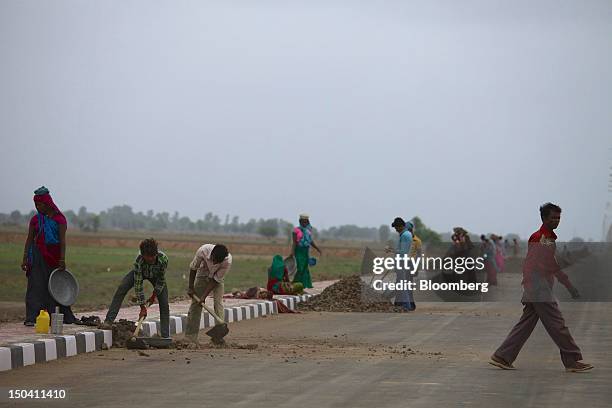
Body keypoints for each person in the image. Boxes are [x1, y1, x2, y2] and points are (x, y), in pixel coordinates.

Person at [490, 203, 593, 372]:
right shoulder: (542, 238)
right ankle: (572, 359)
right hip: (538, 287)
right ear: (544, 218)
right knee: (557, 324)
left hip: (536, 286)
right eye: (553, 218)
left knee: (526, 325)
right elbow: (544, 265)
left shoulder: (544, 237)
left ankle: (502, 356)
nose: (556, 221)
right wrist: (569, 286)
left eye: (559, 218)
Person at [21, 186, 77, 326]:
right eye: (36, 205)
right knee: (36, 286)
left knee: (54, 287)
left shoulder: (60, 219)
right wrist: (25, 258)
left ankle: (55, 316)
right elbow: (29, 239)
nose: (37, 207)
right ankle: (32, 317)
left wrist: (62, 259)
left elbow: (63, 241)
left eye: (39, 204)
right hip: (38, 257)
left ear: (48, 204)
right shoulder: (35, 220)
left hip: (54, 257)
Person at [102, 238, 170, 338]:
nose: (151, 259)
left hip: (156, 276)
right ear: (143, 255)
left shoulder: (163, 259)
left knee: (164, 303)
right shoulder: (139, 260)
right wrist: (142, 307)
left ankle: (165, 336)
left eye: (153, 257)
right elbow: (138, 285)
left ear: (156, 254)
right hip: (140, 273)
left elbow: (160, 279)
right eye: (148, 258)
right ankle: (108, 321)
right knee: (122, 288)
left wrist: (153, 296)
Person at [185, 244, 231, 343]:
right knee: (196, 304)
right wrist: (190, 287)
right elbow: (193, 268)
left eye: (217, 262)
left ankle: (218, 336)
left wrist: (204, 296)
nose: (214, 263)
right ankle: (190, 337)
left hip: (217, 278)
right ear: (212, 254)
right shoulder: (202, 251)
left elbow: (215, 281)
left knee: (218, 303)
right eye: (213, 260)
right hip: (203, 273)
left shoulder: (227, 261)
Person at [388, 217, 415, 311]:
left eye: (396, 227)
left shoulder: (405, 235)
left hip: (402, 262)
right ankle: (403, 303)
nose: (395, 229)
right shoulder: (405, 234)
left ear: (400, 226)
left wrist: (392, 250)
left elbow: (403, 251)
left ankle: (406, 305)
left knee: (402, 284)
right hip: (402, 261)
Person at [292, 214, 322, 289]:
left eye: (306, 222)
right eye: (303, 222)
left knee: (305, 267)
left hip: (306, 251)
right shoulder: (296, 230)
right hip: (299, 250)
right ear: (300, 221)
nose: (304, 224)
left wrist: (317, 248)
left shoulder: (308, 231)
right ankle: (296, 283)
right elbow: (294, 242)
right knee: (300, 267)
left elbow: (311, 241)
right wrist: (292, 252)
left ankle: (305, 284)